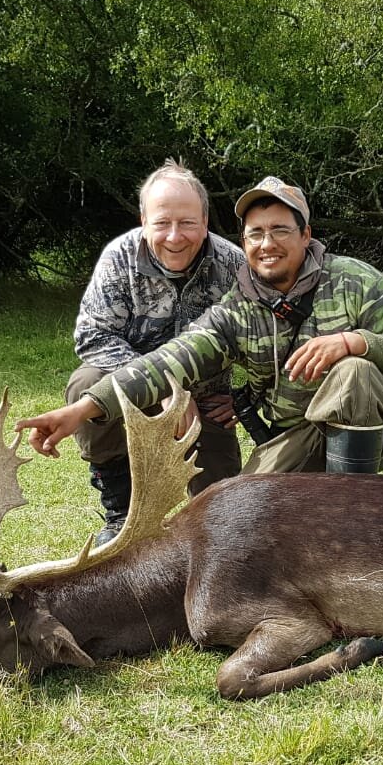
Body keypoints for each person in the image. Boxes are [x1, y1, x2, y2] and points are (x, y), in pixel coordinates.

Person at [18, 175, 383, 477]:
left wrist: (356, 342)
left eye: (280, 230)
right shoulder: (235, 309)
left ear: (306, 234)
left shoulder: (356, 281)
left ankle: (354, 514)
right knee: (240, 515)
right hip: (298, 432)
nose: (267, 243)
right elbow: (167, 362)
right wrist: (82, 409)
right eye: (256, 233)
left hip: (381, 424)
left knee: (354, 372)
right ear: (244, 243)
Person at [68, 159, 245, 542]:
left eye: (187, 223)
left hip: (206, 401)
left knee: (225, 521)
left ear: (205, 219)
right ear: (144, 220)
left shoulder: (234, 264)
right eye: (162, 223)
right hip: (132, 396)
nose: (174, 236)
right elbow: (91, 336)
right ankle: (119, 509)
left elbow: (268, 341)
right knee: (86, 382)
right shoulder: (119, 256)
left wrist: (245, 398)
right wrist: (166, 389)